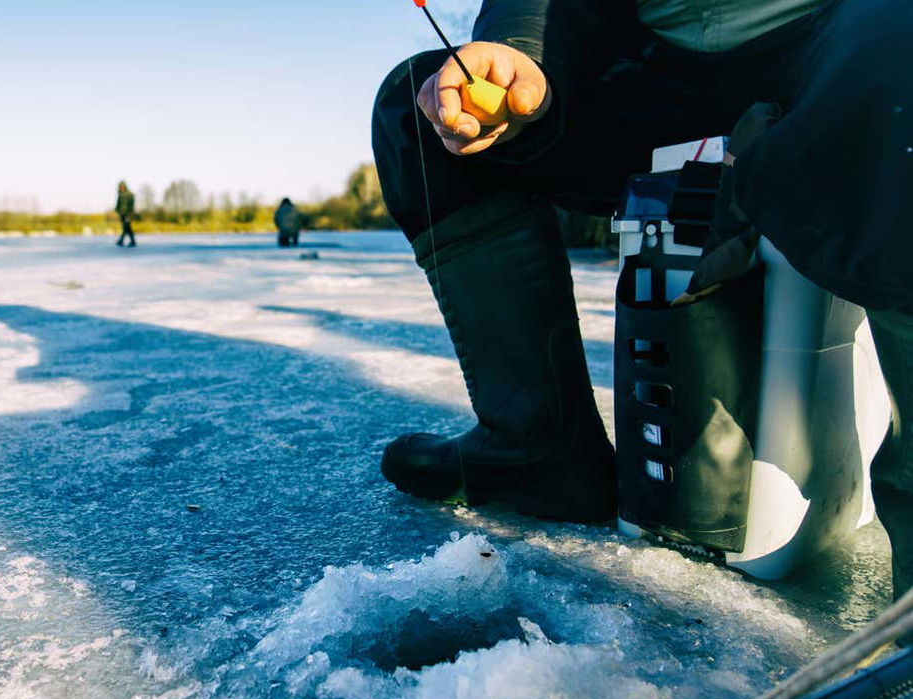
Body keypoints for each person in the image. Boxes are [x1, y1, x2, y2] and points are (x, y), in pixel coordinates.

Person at [372, 1, 913, 599]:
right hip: (660, 70)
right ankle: (539, 447)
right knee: (417, 105)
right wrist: (517, 55)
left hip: (841, 47)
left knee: (900, 68)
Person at [115, 181, 136, 248]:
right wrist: (117, 211)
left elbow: (131, 205)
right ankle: (132, 241)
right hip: (122, 214)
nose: (121, 188)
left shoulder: (130, 194)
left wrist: (130, 214)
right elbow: (118, 204)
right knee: (127, 228)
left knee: (126, 227)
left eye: (122, 187)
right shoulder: (120, 194)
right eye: (120, 187)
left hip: (128, 214)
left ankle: (121, 240)